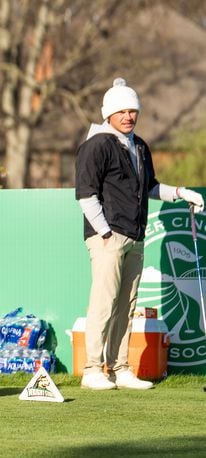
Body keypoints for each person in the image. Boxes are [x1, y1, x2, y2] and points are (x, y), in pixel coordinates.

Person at [75, 78, 204, 390]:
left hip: (135, 235)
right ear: (109, 113)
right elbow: (85, 195)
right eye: (122, 111)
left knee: (127, 305)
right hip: (108, 237)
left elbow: (150, 187)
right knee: (104, 303)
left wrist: (182, 192)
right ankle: (93, 368)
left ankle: (120, 368)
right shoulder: (97, 145)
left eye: (133, 111)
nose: (129, 116)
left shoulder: (139, 146)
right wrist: (104, 233)